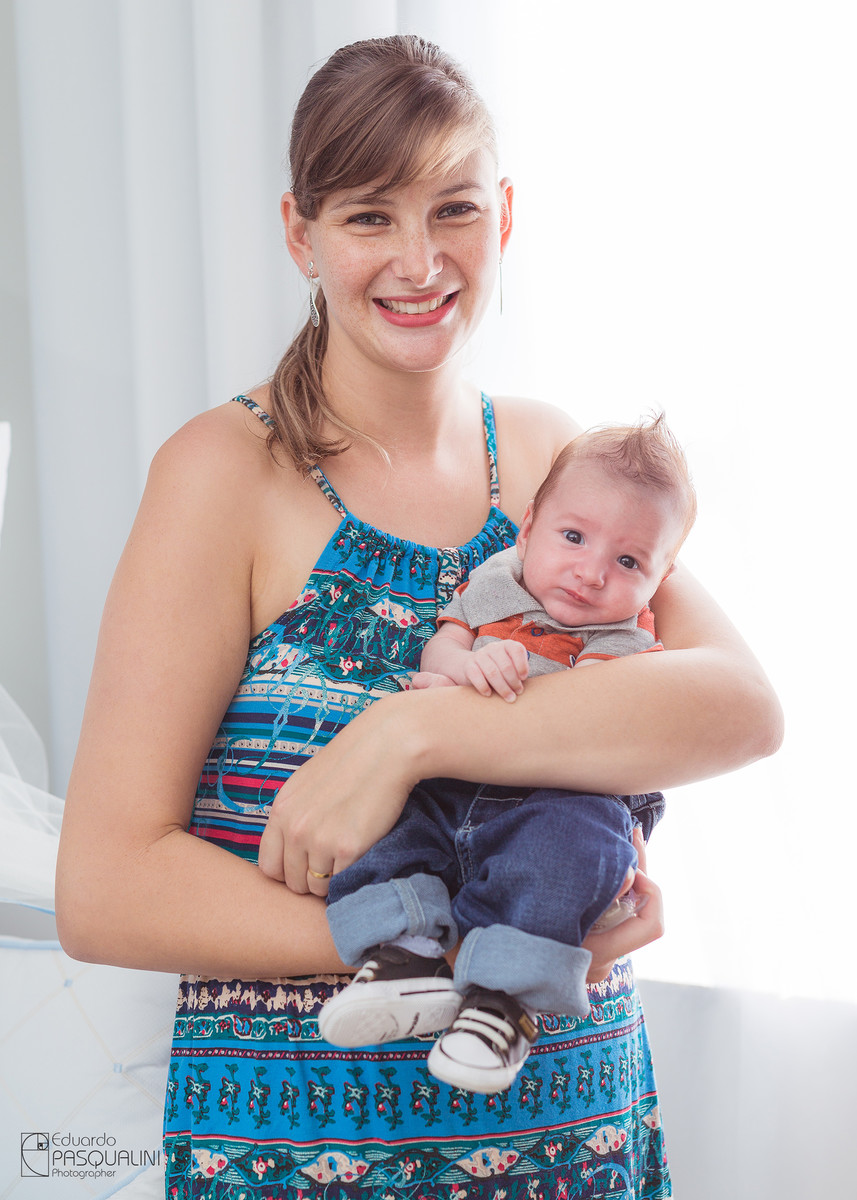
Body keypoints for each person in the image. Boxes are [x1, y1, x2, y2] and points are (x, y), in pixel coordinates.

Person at [54, 34, 782, 1200]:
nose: (419, 259)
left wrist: (409, 736)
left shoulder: (554, 458)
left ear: (502, 216)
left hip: (576, 1141)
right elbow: (107, 889)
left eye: (450, 209)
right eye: (367, 217)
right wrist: (466, 952)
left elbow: (741, 709)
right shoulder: (221, 473)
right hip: (305, 1157)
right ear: (299, 232)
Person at [317, 416, 695, 1095]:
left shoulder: (628, 643)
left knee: (569, 856)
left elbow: (604, 722)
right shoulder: (500, 581)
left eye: (628, 562)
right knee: (388, 826)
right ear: (526, 529)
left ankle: (501, 1008)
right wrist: (462, 668)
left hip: (553, 801)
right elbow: (443, 645)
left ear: (660, 577)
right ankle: (401, 953)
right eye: (572, 537)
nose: (589, 572)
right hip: (453, 786)